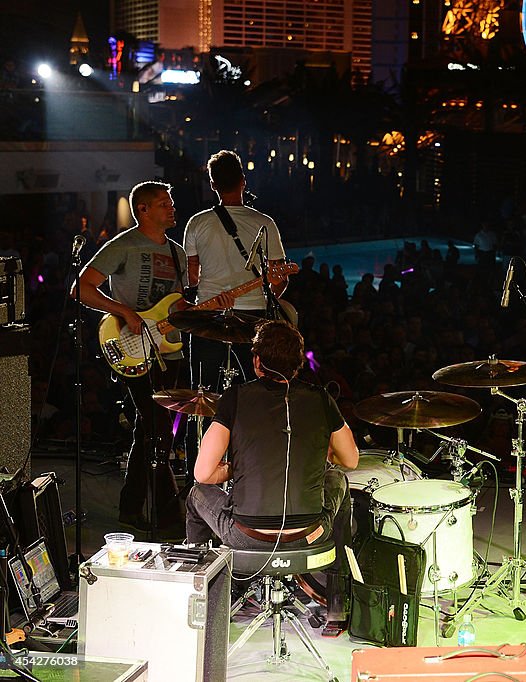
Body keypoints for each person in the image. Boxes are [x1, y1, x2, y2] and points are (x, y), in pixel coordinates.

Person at [73, 181, 197, 536]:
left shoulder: (176, 252)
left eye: (171, 203)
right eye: (163, 203)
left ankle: (132, 510)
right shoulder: (124, 244)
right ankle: (167, 517)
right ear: (142, 209)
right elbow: (81, 286)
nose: (172, 208)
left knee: (152, 430)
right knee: (155, 431)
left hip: (167, 349)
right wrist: (122, 311)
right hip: (131, 346)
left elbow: (178, 304)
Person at [186, 318, 358, 559]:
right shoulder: (321, 399)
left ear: (257, 360)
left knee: (198, 493)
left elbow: (203, 474)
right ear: (298, 364)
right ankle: (338, 584)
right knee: (338, 479)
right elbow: (350, 460)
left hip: (246, 536)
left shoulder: (235, 397)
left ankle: (208, 582)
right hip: (310, 533)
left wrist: (235, 469)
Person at [184, 149, 288, 390]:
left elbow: (191, 278)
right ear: (243, 181)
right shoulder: (265, 223)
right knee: (254, 388)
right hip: (252, 314)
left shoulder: (197, 223)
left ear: (213, 185)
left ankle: (205, 428)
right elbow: (279, 280)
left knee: (203, 391)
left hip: (208, 313)